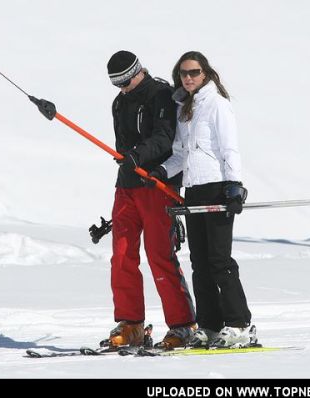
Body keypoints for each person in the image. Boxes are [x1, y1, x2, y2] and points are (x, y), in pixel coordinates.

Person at [148, 51, 257, 348]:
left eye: (194, 72)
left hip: (218, 187)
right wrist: (160, 170)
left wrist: (234, 185)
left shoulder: (218, 105)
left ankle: (240, 324)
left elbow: (229, 147)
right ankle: (210, 325)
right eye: (183, 73)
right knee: (199, 262)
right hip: (193, 189)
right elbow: (181, 154)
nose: (189, 77)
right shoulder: (184, 107)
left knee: (220, 260)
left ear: (205, 73)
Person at [105, 50, 196, 349]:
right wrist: (128, 162)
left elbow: (165, 137)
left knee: (159, 255)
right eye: (117, 84)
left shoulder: (162, 96)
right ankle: (131, 324)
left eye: (126, 82)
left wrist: (137, 156)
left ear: (138, 72)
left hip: (157, 185)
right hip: (127, 188)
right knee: (121, 256)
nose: (123, 89)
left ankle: (182, 325)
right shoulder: (119, 103)